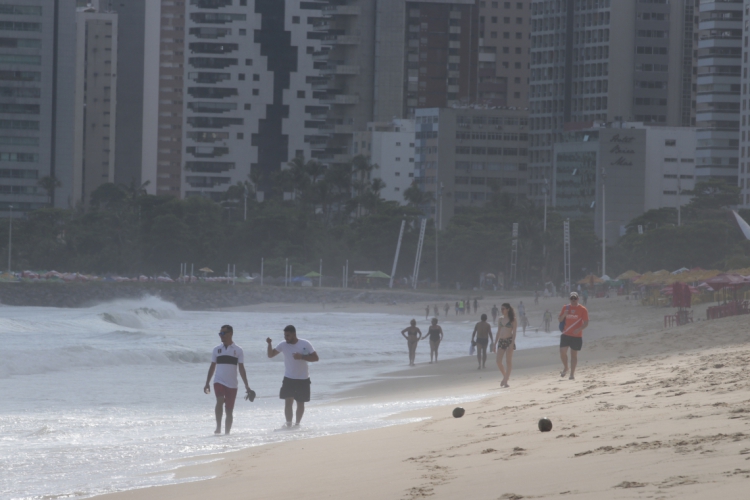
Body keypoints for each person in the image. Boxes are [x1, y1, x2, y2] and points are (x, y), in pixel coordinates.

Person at [266, 325, 319, 427]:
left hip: (303, 378)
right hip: (289, 378)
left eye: (288, 335)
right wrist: (269, 344)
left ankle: (297, 424)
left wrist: (302, 356)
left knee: (300, 403)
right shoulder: (283, 344)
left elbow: (316, 358)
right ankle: (289, 424)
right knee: (288, 401)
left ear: (294, 334)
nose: (286, 337)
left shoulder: (305, 343)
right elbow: (270, 355)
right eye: (285, 335)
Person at [204, 325, 252, 435]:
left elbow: (241, 368)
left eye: (223, 333)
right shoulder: (216, 349)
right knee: (219, 400)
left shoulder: (238, 350)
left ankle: (227, 433)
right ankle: (218, 428)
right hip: (218, 381)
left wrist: (247, 385)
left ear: (230, 334)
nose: (221, 336)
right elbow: (212, 367)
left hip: (232, 384)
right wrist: (207, 383)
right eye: (220, 333)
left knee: (229, 410)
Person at [558, 292, 589, 381]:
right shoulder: (565, 308)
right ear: (569, 299)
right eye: (572, 298)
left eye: (575, 298)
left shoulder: (583, 309)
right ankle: (566, 367)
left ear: (578, 299)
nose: (573, 300)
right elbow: (560, 319)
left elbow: (586, 323)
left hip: (576, 335)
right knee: (562, 352)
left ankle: (572, 374)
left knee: (573, 355)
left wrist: (579, 329)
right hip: (566, 333)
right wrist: (564, 314)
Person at [494, 304, 517, 388]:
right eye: (501, 309)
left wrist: (512, 343)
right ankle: (505, 377)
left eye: (503, 309)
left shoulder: (513, 319)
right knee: (498, 361)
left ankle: (506, 381)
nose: (502, 310)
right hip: (501, 341)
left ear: (507, 309)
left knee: (508, 361)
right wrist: (494, 343)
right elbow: (498, 332)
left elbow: (514, 332)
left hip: (509, 340)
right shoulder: (500, 319)